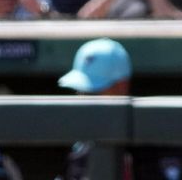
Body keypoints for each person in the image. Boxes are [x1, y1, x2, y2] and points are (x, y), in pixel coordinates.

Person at [57, 38, 133, 179]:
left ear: (122, 86)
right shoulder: (78, 142)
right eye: (81, 92)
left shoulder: (142, 146)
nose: (84, 99)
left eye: (93, 92)